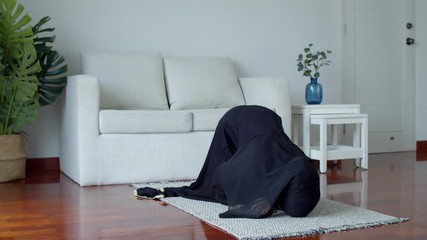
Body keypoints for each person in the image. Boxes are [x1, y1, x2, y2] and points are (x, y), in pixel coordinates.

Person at [134, 105, 320, 219]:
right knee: (221, 168)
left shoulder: (298, 159)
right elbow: (220, 175)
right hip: (235, 119)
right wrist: (256, 201)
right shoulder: (250, 163)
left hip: (270, 118)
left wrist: (268, 200)